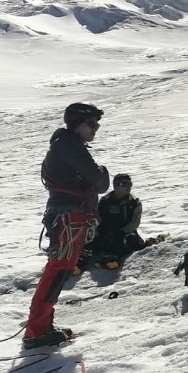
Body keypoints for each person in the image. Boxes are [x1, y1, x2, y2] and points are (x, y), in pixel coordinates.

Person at [23, 103, 110, 349]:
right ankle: (37, 330)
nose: (95, 129)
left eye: (97, 124)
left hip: (68, 216)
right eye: (91, 124)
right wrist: (102, 172)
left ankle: (40, 327)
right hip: (70, 217)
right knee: (59, 269)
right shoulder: (68, 146)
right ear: (76, 124)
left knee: (59, 269)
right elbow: (100, 182)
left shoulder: (65, 145)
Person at [79, 173, 157, 271]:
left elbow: (135, 222)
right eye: (125, 184)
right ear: (116, 186)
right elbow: (97, 219)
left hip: (125, 233)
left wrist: (121, 232)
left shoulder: (133, 202)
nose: (129, 187)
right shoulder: (105, 201)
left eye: (130, 184)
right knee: (92, 244)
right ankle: (79, 263)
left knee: (124, 242)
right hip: (106, 232)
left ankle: (111, 259)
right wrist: (98, 232)